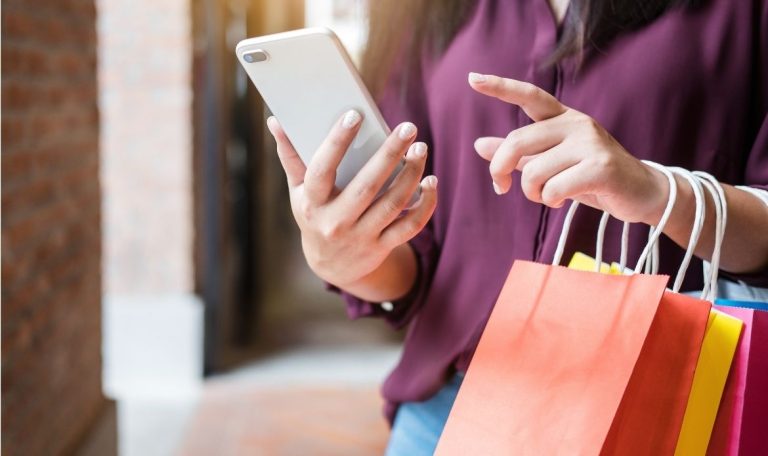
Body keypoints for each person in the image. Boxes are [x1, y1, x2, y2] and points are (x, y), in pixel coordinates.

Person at [266, 0, 768, 453]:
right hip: (448, 411)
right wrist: (344, 258)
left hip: (659, 408)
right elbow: (413, 259)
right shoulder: (422, 11)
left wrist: (657, 191)